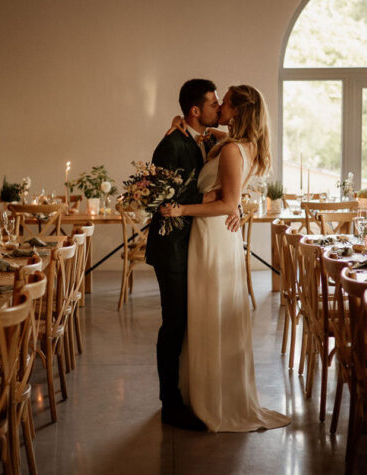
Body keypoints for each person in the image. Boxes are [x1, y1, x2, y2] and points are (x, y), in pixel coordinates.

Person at [161, 85, 291, 432]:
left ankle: (213, 400)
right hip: (211, 234)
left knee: (210, 312)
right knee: (206, 311)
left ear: (236, 111)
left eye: (225, 101)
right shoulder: (237, 143)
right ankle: (202, 394)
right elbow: (212, 139)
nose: (218, 106)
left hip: (212, 234)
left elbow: (225, 203)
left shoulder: (233, 150)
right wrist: (180, 121)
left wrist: (179, 210)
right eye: (215, 101)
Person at [145, 79, 240, 431]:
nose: (219, 109)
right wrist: (220, 203)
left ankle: (184, 392)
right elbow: (163, 201)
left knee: (184, 322)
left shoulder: (199, 140)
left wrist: (234, 203)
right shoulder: (171, 145)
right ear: (196, 111)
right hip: (171, 249)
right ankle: (169, 403)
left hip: (190, 246)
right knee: (174, 324)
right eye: (214, 103)